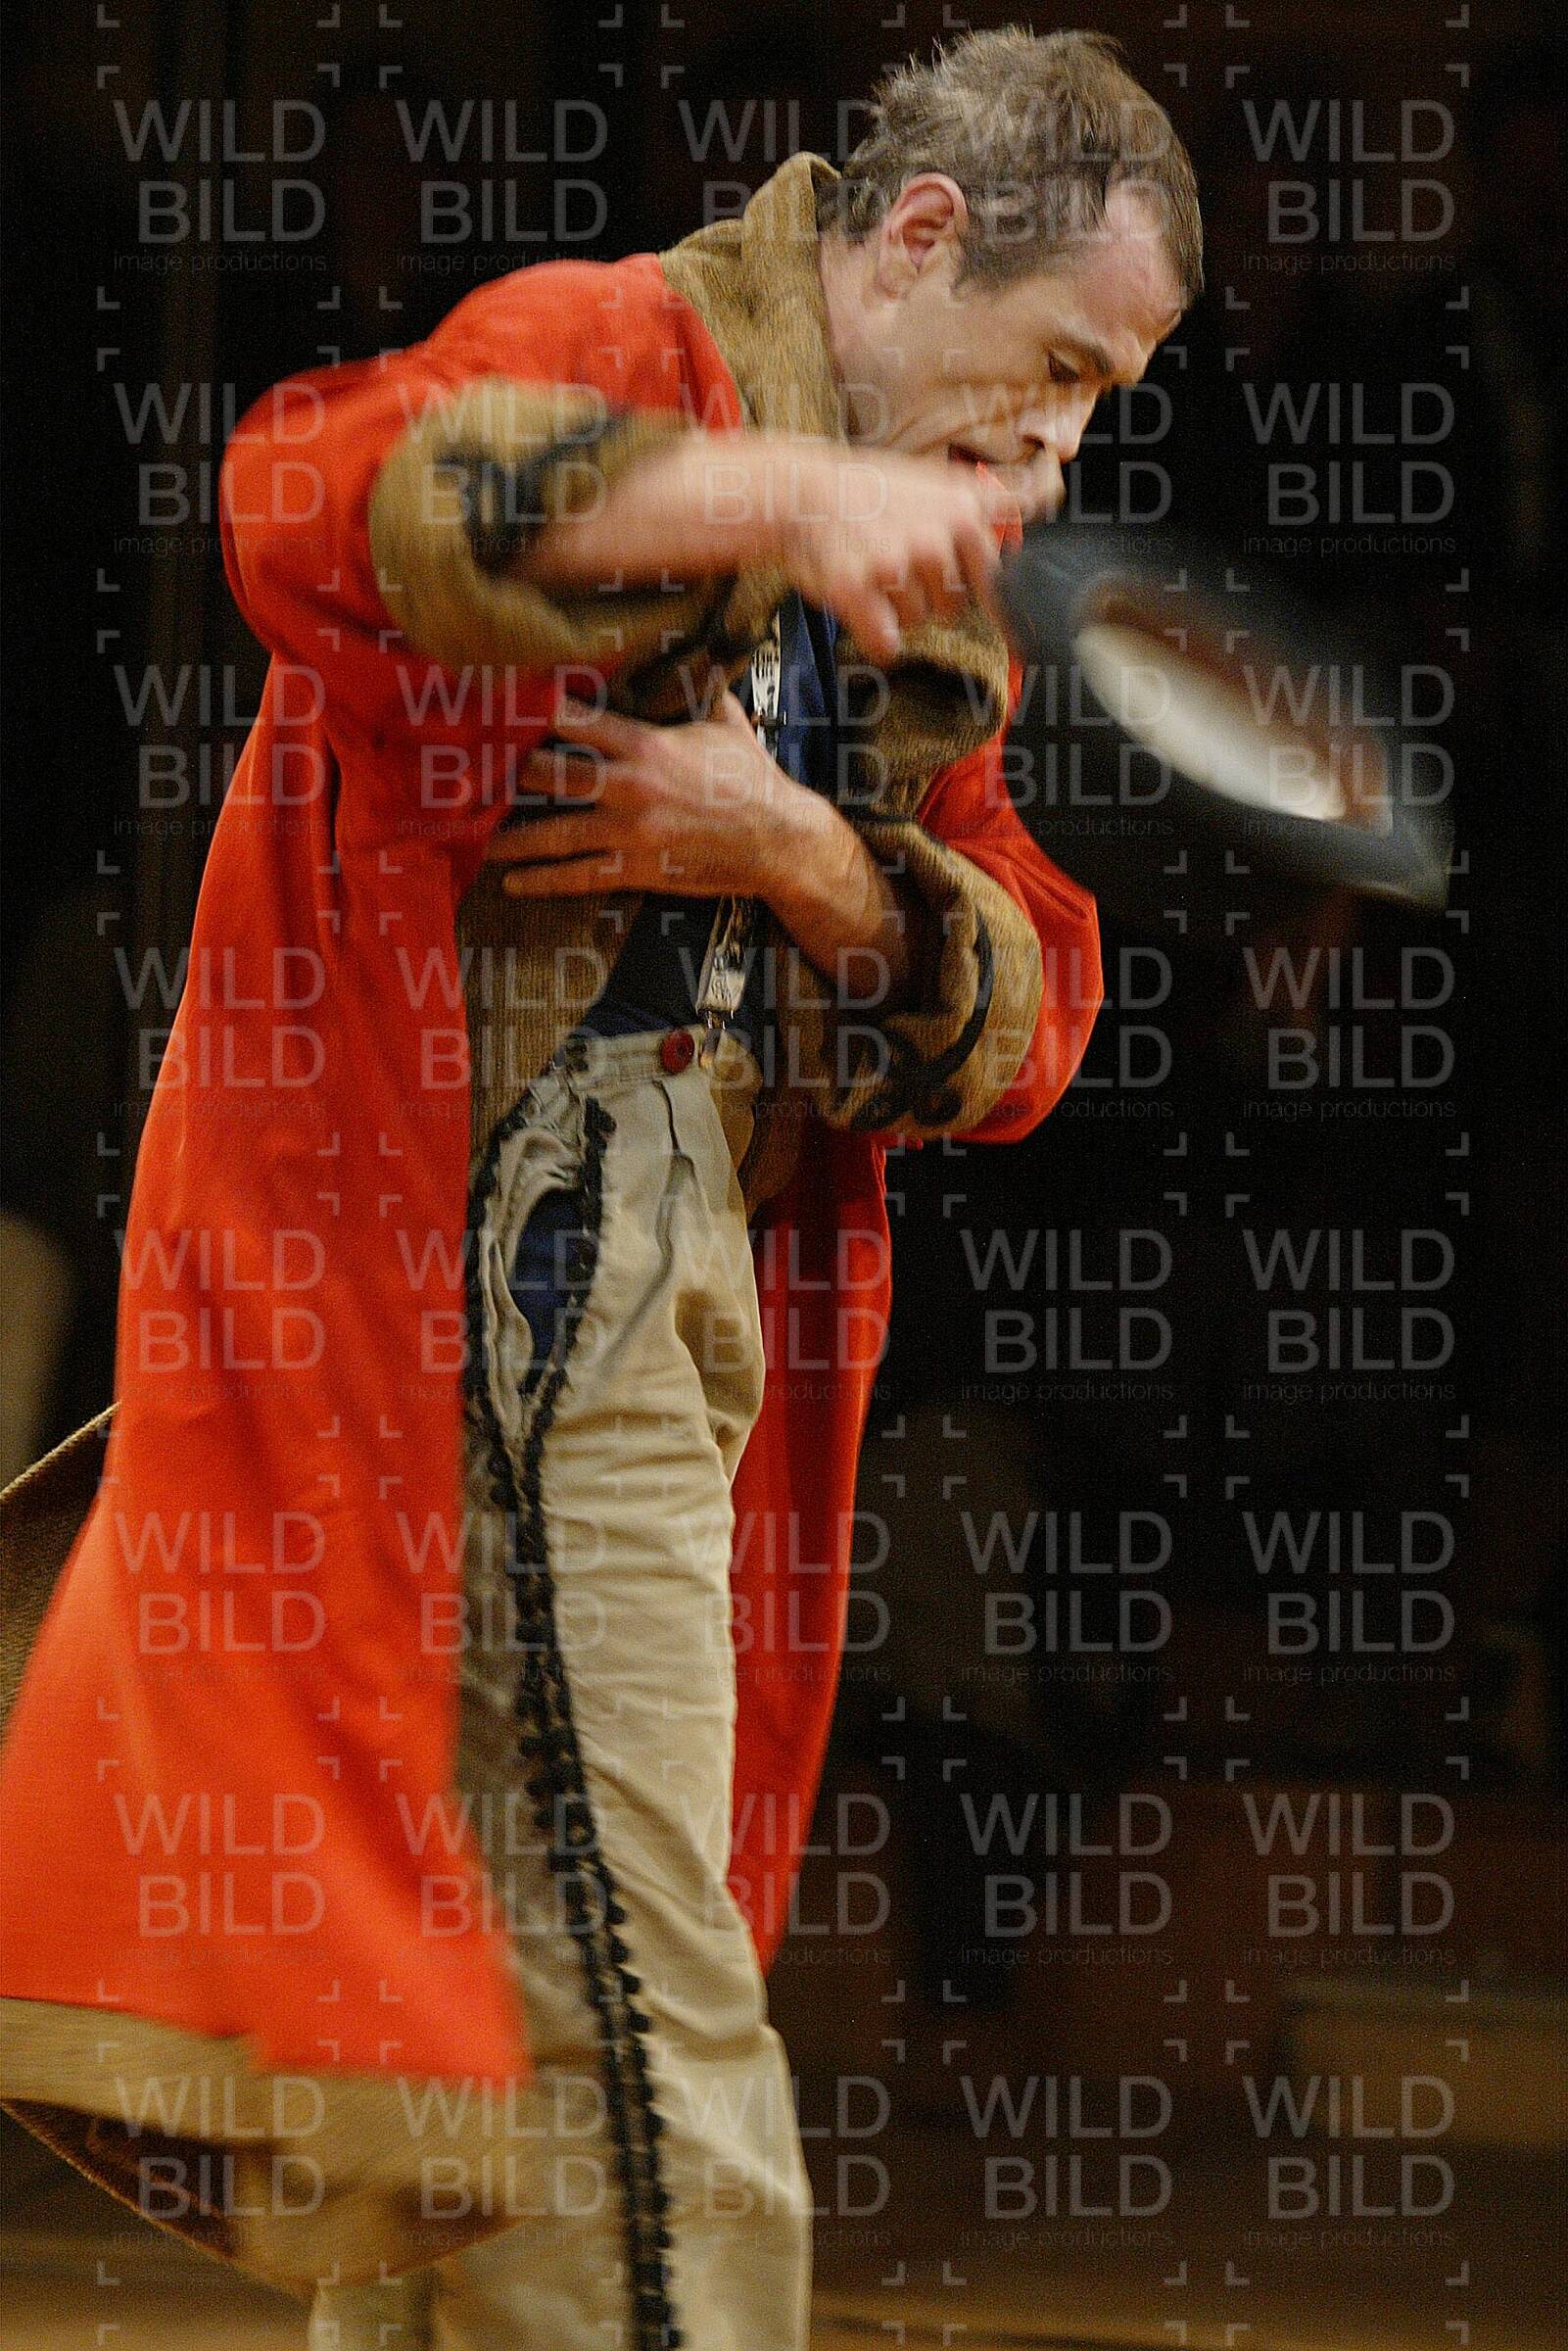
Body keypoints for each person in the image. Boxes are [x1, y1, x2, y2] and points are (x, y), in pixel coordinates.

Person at [0, 27, 1200, 2349]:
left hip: (657, 1294)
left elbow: (1034, 999)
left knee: (463, 2057)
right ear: (920, 240)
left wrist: (808, 862)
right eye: (1059, 369)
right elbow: (314, 495)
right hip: (502, 1264)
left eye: (1105, 403)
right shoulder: (633, 346)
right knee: (637, 2023)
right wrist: (764, 495)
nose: (1064, 443)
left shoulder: (919, 583)